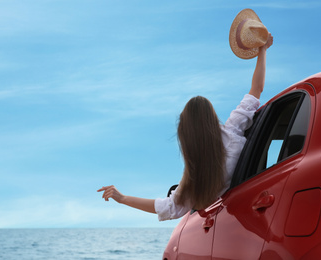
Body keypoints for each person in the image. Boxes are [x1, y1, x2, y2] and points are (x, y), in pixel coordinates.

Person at [98, 24, 273, 221]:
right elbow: (256, 89)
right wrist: (262, 50)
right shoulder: (232, 130)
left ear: (187, 133)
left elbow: (167, 207)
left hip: (228, 223)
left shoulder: (195, 177)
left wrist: (122, 198)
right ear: (212, 117)